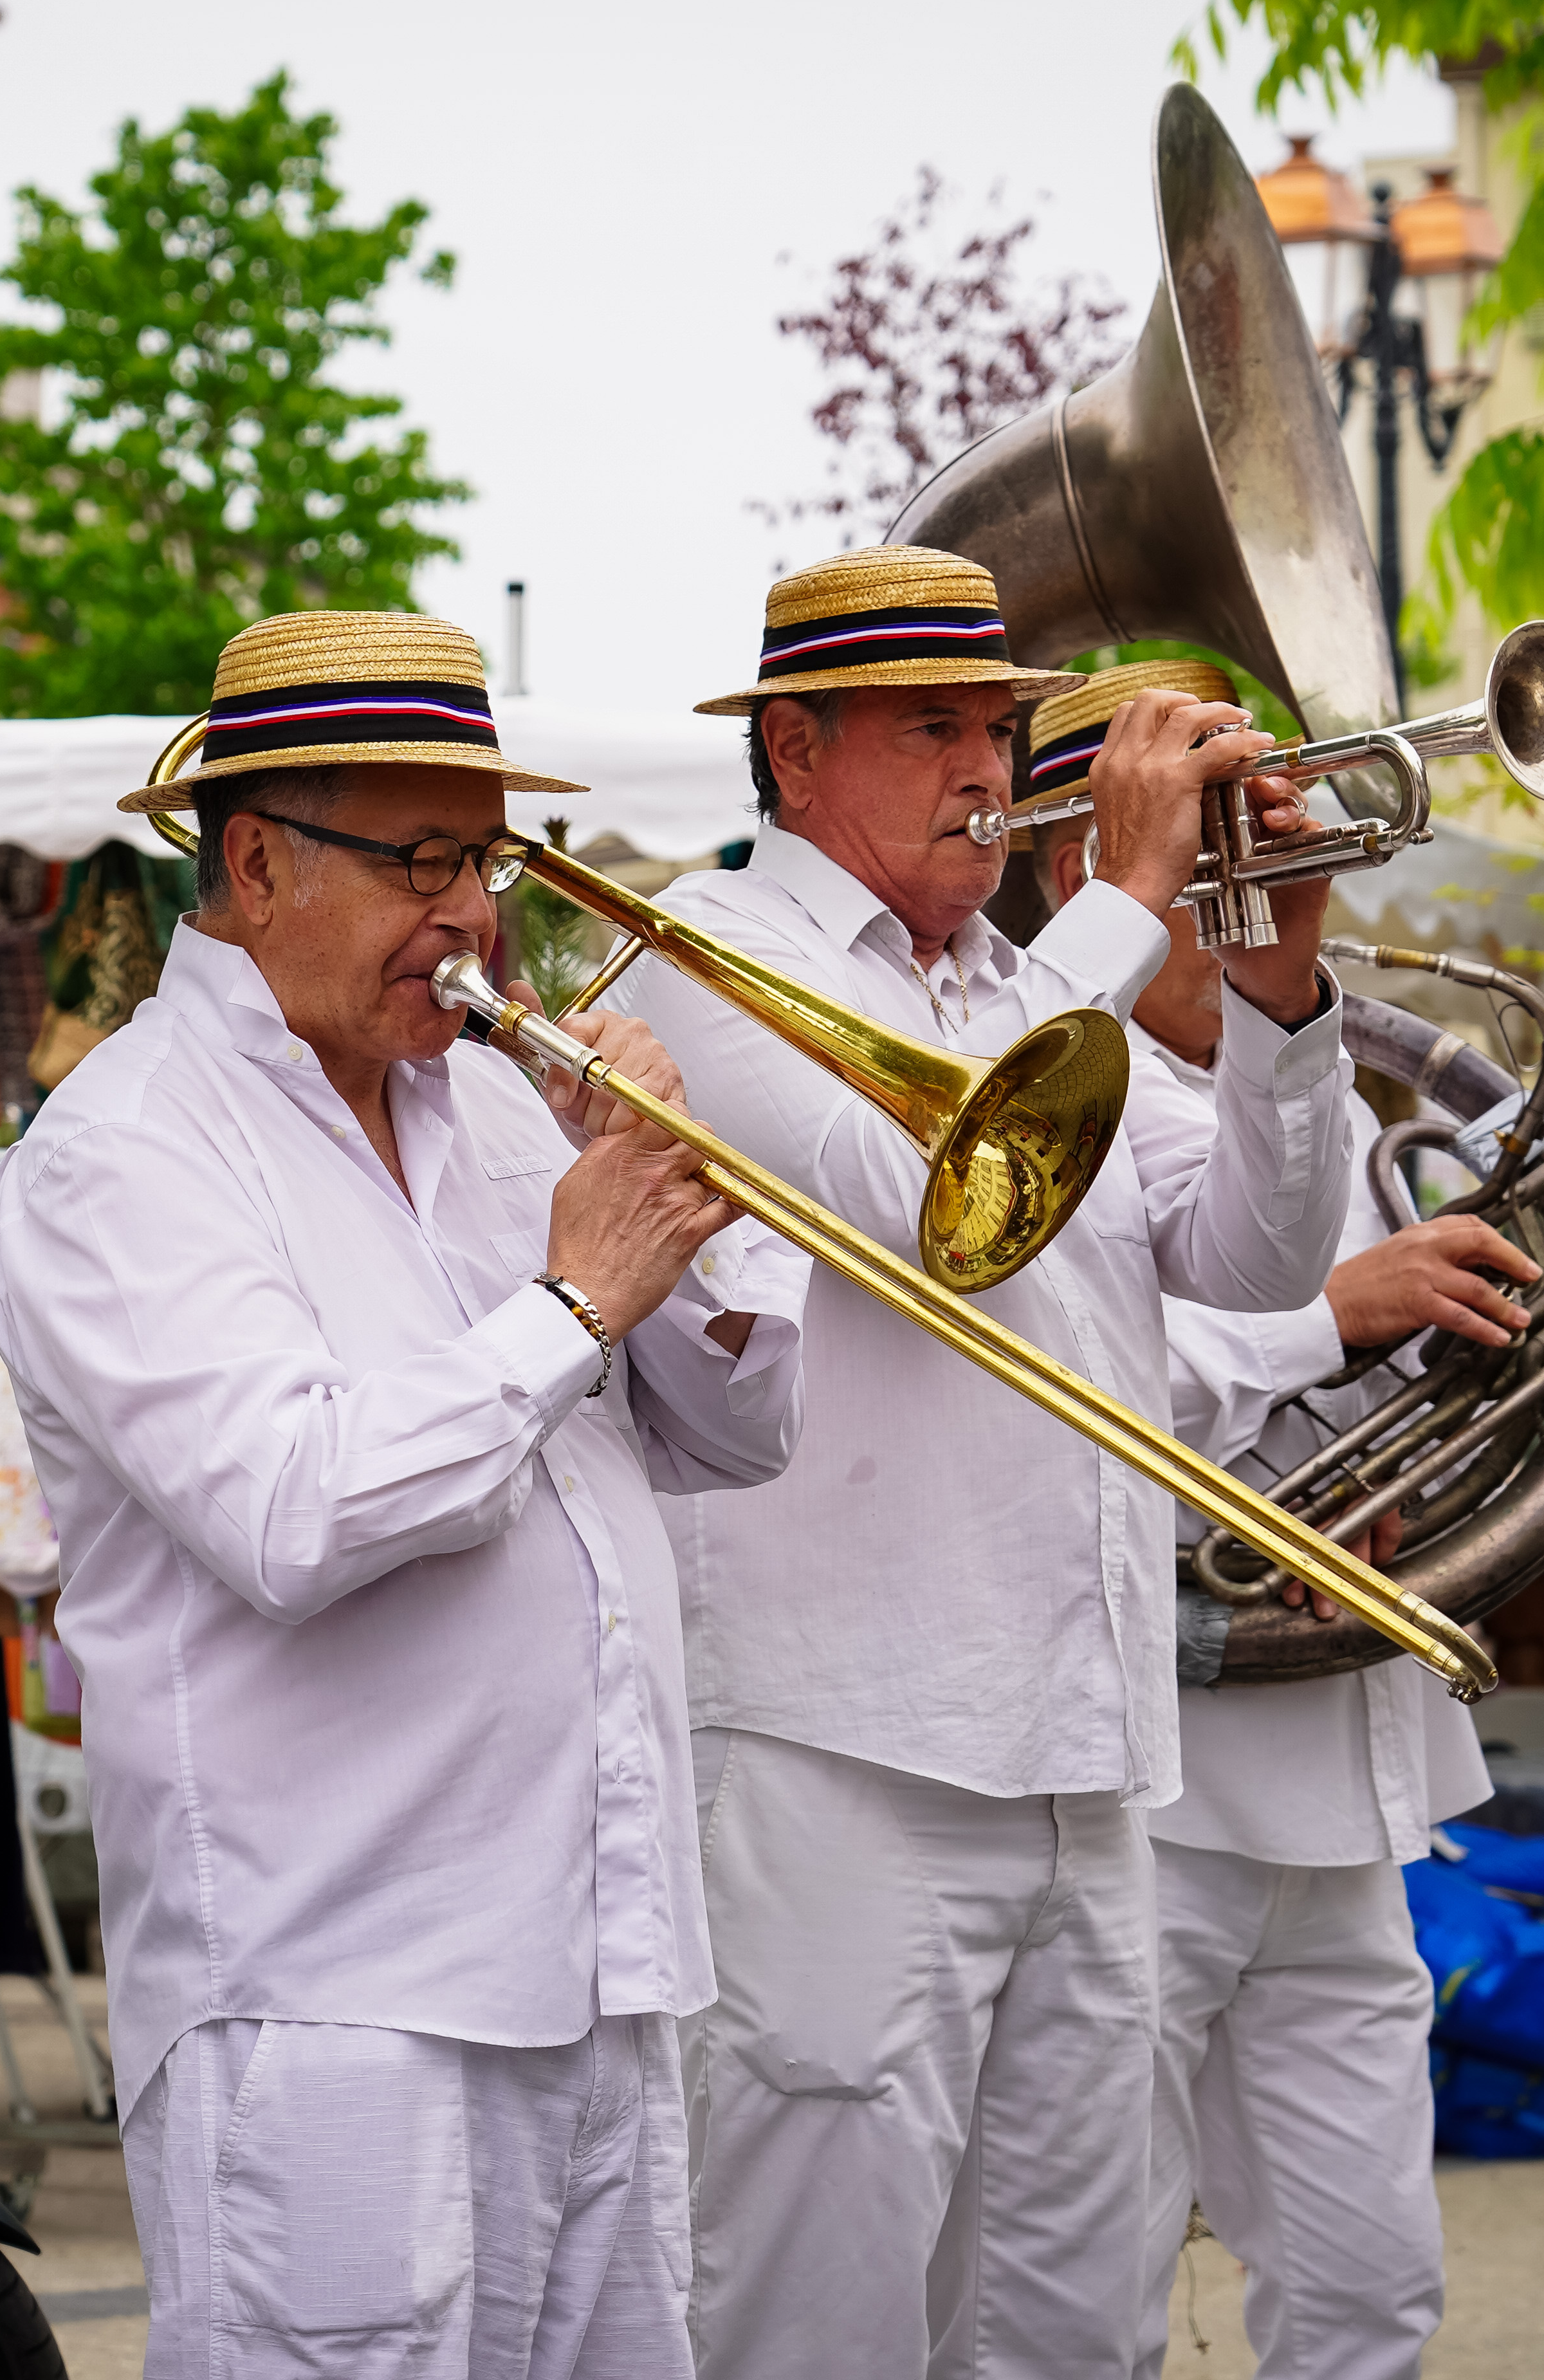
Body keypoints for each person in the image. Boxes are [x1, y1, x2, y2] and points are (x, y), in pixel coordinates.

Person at [0, 612, 809, 2379]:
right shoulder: (121, 1153)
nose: (473, 919)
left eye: (487, 861)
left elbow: (735, 1439)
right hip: (335, 2000)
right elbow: (294, 1509)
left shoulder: (499, 1114)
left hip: (598, 1961)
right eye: (421, 861)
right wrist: (572, 1300)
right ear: (260, 862)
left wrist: (682, 1210)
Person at [611, 550, 1356, 2377]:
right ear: (796, 757)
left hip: (1088, 1755)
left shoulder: (1024, 979)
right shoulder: (711, 966)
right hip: (841, 1751)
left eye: (1001, 725)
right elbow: (933, 1203)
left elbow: (1258, 1261)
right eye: (935, 728)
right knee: (816, 2324)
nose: (987, 765)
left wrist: (1280, 997)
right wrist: (1125, 905)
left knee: (1071, 2331)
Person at [1018, 665, 1524, 2380]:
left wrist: (1428, 1480)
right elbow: (1064, 1392)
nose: (1236, 877)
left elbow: (1403, 1393)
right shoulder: (1043, 1081)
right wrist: (1338, 1318)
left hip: (1349, 1769)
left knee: (1374, 2290)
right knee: (1095, 2302)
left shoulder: (1310, 1084)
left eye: (1251, 835)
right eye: (1204, 839)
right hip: (1164, 1785)